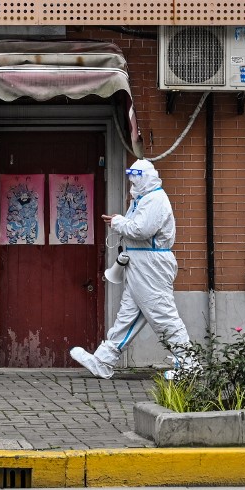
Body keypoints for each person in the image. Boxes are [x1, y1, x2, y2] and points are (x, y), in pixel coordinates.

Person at [70, 159, 193, 379]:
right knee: (128, 314)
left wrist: (117, 222)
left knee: (162, 314)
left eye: (136, 178)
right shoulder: (144, 199)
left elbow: (141, 230)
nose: (132, 182)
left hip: (151, 265)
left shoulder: (155, 199)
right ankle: (104, 359)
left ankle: (188, 363)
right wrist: (120, 222)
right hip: (141, 263)